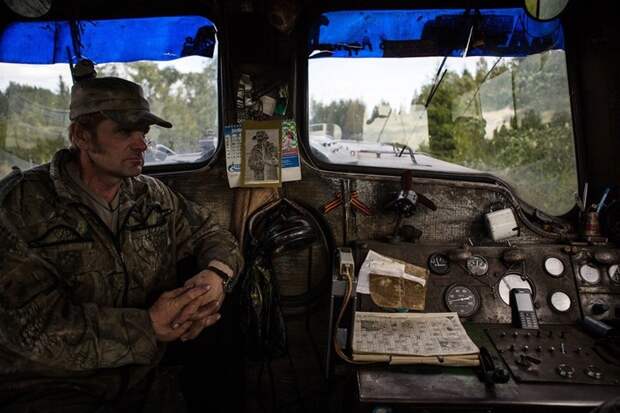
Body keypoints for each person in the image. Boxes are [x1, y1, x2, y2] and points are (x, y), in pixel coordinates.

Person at [0, 76, 244, 412]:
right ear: (81, 136)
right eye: (125, 132)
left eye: (143, 132)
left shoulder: (152, 196)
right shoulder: (21, 206)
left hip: (144, 379)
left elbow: (212, 235)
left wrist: (216, 277)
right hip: (51, 387)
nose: (142, 144)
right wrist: (148, 328)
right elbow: (30, 326)